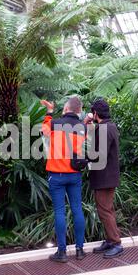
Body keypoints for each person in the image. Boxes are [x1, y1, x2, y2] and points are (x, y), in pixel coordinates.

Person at [41, 97, 86, 263]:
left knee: (60, 212)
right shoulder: (82, 127)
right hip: (75, 174)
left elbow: (43, 131)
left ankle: (62, 252)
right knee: (77, 210)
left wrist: (49, 113)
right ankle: (80, 250)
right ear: (79, 111)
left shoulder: (55, 123)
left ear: (66, 108)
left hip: (57, 174)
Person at [84, 98, 123, 258]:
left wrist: (83, 158)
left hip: (105, 177)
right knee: (107, 210)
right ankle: (110, 240)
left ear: (95, 113)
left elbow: (99, 154)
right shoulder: (108, 126)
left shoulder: (104, 129)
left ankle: (116, 243)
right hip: (107, 176)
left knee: (105, 211)